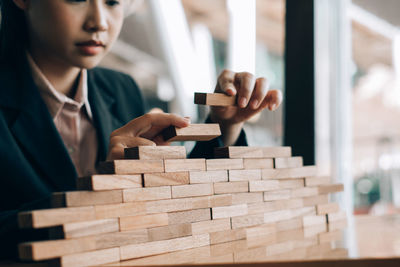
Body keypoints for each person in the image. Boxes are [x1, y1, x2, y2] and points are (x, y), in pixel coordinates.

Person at [0, 0, 282, 259]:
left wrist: (224, 125)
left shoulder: (122, 89)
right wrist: (102, 190)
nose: (99, 22)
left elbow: (172, 213)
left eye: (112, 2)